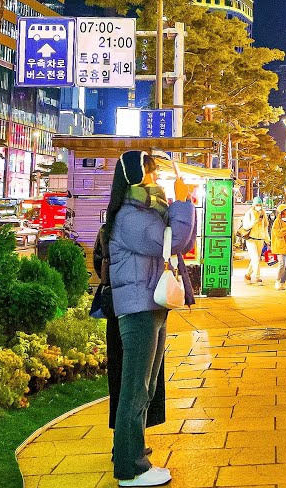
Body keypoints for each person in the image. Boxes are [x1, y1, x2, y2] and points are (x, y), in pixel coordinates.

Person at [100, 150, 196, 487]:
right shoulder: (131, 215)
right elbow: (172, 241)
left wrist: (181, 206)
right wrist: (182, 203)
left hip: (150, 303)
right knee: (136, 388)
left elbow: (180, 240)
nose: (156, 178)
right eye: (151, 172)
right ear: (136, 176)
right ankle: (131, 468)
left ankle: (130, 448)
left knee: (146, 386)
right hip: (139, 308)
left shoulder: (146, 209)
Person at [240, 204, 269, 284]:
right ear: (254, 205)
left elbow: (265, 227)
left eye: (260, 205)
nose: (259, 206)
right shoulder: (249, 213)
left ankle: (247, 275)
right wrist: (255, 222)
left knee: (256, 259)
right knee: (255, 258)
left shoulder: (263, 213)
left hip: (260, 239)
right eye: (257, 205)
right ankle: (257, 277)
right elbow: (246, 226)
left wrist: (267, 239)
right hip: (251, 239)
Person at [271, 205, 286, 290]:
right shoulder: (277, 221)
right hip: (280, 245)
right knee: (282, 264)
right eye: (285, 210)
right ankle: (277, 281)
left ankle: (282, 283)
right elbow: (278, 233)